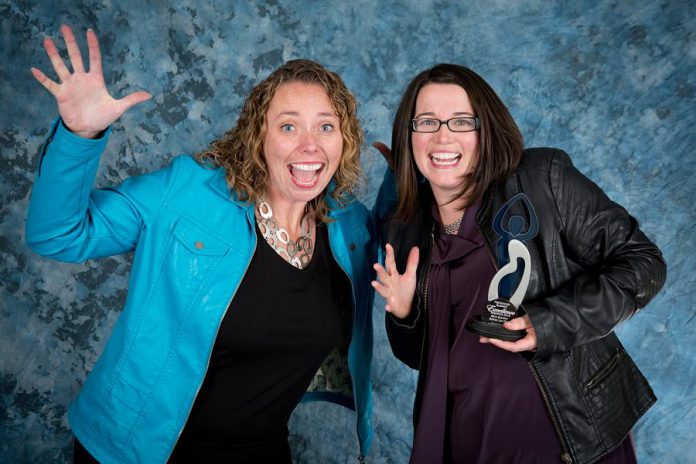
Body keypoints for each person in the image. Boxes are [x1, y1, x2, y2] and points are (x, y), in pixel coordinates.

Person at [26, 25, 379, 463]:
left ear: (343, 141)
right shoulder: (186, 193)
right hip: (137, 450)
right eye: (288, 126)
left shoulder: (351, 228)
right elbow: (57, 234)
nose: (310, 146)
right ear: (258, 138)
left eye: (326, 126)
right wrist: (78, 137)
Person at [371, 64, 666, 464]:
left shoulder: (540, 179)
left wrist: (547, 323)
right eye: (427, 121)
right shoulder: (406, 227)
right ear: (409, 136)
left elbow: (643, 264)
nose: (443, 136)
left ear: (485, 129)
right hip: (470, 442)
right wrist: (405, 314)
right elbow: (421, 357)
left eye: (460, 121)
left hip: (565, 440)